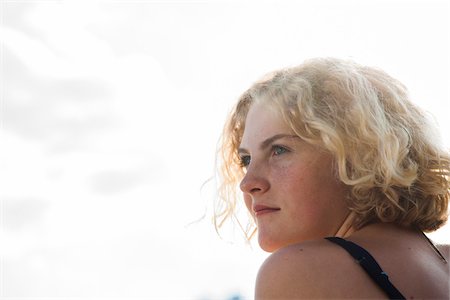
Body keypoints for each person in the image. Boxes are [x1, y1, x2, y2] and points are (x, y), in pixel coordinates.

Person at [214, 57, 449, 299]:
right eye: (246, 160)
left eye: (279, 150)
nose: (248, 183)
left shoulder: (299, 272)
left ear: (358, 156)